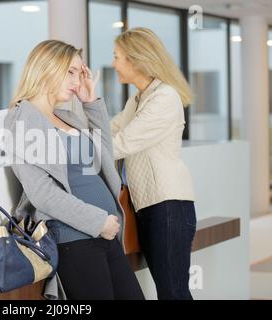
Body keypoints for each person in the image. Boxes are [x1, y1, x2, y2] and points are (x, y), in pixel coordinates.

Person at [4, 40, 145, 300]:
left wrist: (91, 102)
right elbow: (42, 193)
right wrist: (98, 221)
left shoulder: (67, 116)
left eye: (80, 73)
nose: (77, 81)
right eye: (70, 72)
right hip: (75, 238)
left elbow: (103, 156)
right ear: (46, 68)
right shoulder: (22, 119)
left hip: (105, 232)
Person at [110, 27, 196, 300]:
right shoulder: (137, 99)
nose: (113, 64)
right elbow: (109, 130)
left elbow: (121, 142)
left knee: (173, 293)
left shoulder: (164, 97)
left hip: (168, 207)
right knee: (170, 292)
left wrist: (70, 148)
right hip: (149, 207)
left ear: (135, 60)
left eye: (117, 57)